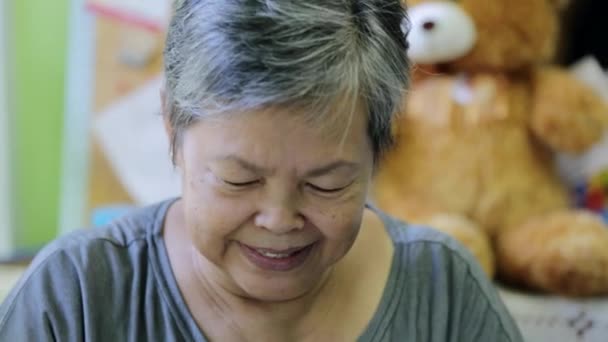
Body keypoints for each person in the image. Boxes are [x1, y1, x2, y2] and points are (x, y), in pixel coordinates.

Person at [0, 0, 523, 341]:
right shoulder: (77, 298)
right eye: (238, 179)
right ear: (173, 130)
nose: (278, 219)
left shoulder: (443, 294)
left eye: (327, 183)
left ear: (381, 149)